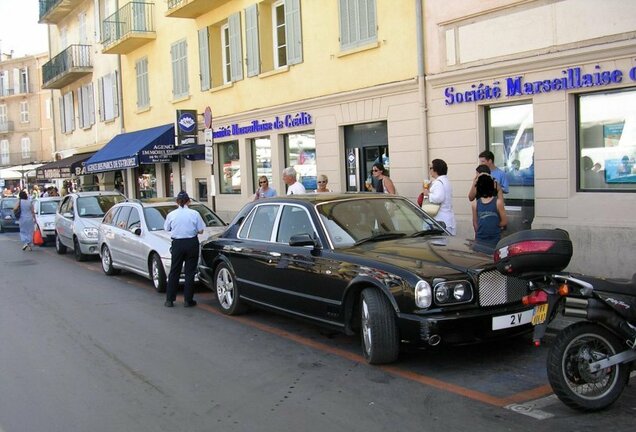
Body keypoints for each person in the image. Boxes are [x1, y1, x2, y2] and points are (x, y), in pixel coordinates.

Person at [163, 191, 205, 308]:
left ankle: (169, 300)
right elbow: (201, 230)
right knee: (189, 272)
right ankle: (188, 300)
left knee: (174, 271)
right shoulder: (194, 213)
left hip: (177, 243)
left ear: (177, 202)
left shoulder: (171, 214)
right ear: (189, 201)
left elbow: (166, 228)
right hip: (191, 243)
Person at [471, 173, 507, 248]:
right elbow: (475, 222)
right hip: (481, 239)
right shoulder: (475, 204)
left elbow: (504, 221)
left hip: (494, 239)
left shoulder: (497, 202)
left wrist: (495, 226)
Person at [421, 159, 456, 235]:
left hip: (440, 219)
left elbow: (439, 198)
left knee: (439, 244)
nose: (430, 170)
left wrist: (427, 194)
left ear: (435, 170)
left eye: (431, 168)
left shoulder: (438, 183)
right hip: (447, 218)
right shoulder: (446, 181)